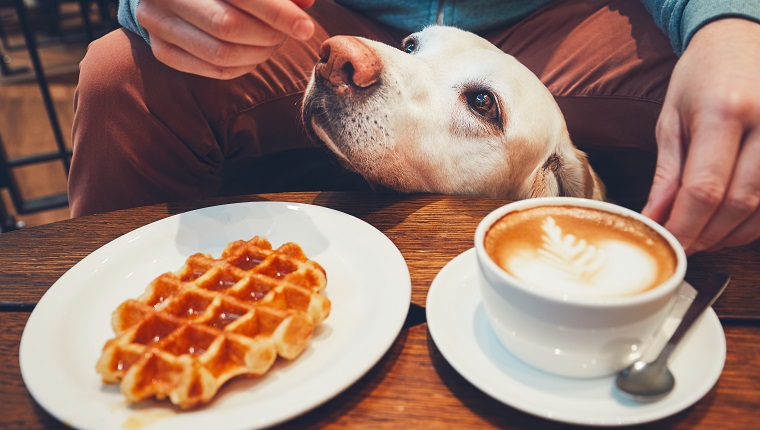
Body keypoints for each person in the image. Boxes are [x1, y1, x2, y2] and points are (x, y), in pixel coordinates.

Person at [69, 0, 760, 256]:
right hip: (338, 10)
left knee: (734, 115)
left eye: (483, 107)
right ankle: (113, 309)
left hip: (570, 17)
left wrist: (733, 22)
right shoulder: (361, 58)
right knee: (119, 70)